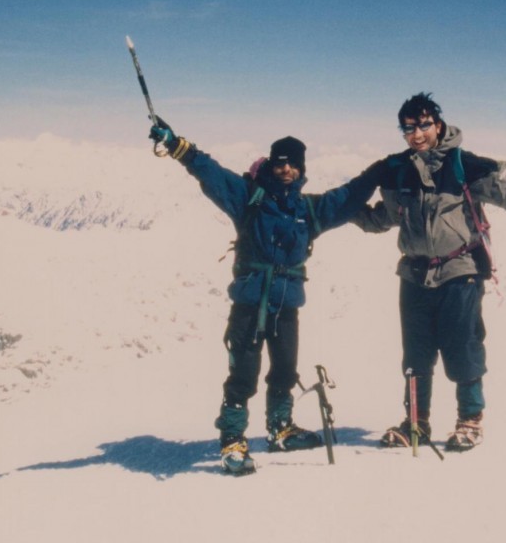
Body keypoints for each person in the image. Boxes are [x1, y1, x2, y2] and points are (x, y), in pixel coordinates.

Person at [352, 93, 506, 452]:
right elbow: (385, 216)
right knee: (415, 354)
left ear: (438, 125)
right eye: (408, 128)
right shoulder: (400, 171)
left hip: (460, 270)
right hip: (414, 273)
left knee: (463, 346)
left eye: (424, 125)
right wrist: (341, 212)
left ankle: (470, 419)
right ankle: (416, 423)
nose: (416, 134)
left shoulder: (465, 166)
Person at [150, 124, 383, 474]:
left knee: (285, 369)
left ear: (302, 168)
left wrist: (382, 171)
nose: (286, 169)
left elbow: (348, 196)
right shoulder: (249, 197)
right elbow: (211, 174)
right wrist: (178, 146)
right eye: (280, 163)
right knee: (243, 373)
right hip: (249, 304)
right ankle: (232, 439)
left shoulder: (308, 209)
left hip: (287, 306)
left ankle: (280, 429)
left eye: (293, 164)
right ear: (271, 165)